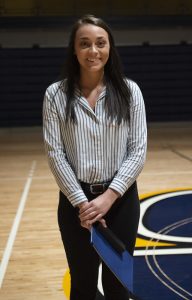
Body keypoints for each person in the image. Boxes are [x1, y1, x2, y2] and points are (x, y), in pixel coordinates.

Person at [43, 14, 147, 300]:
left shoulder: (129, 92)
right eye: (85, 44)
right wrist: (83, 204)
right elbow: (55, 154)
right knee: (83, 286)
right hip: (76, 204)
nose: (93, 51)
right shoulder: (55, 96)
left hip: (121, 202)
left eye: (100, 43)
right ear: (74, 50)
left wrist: (107, 198)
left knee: (117, 287)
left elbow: (137, 152)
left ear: (110, 48)